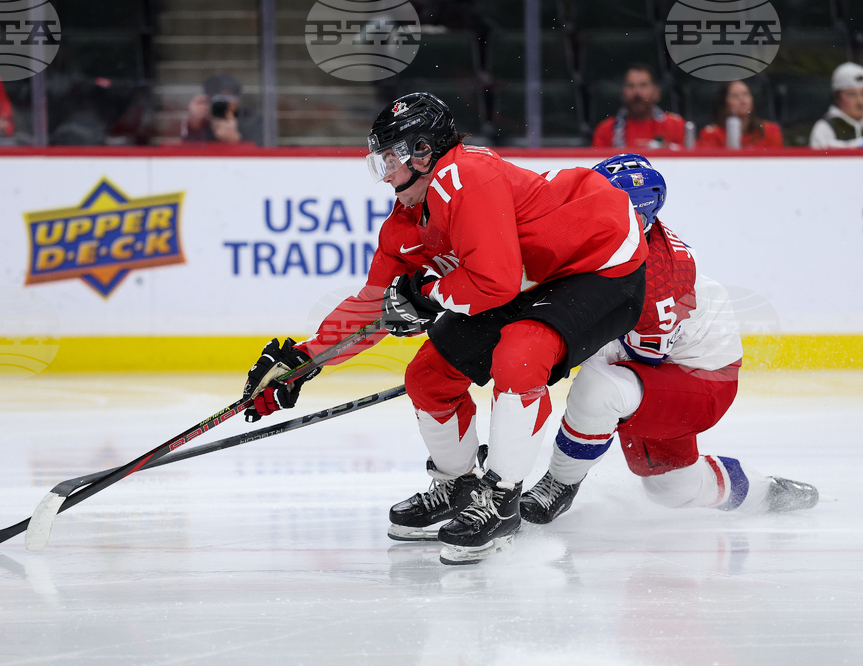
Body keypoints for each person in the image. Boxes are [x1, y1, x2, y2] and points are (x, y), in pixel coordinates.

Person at [242, 92, 648, 565]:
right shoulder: (407, 220)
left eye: (391, 158)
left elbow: (492, 284)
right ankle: (457, 487)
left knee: (520, 354)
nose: (387, 173)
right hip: (530, 276)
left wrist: (430, 293)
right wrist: (305, 360)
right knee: (428, 376)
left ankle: (501, 499)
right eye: (382, 161)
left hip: (602, 264)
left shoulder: (468, 177)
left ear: (423, 152)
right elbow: (375, 305)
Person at [519, 154, 819, 525]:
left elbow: (633, 360)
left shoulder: (660, 282)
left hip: (702, 378)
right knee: (673, 490)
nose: (587, 213)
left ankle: (558, 486)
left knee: (599, 387)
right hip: (660, 369)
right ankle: (766, 493)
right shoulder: (623, 238)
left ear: (636, 216)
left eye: (602, 205)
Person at [592, 64, 686, 150]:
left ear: (656, 93)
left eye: (643, 85)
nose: (637, 92)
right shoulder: (606, 129)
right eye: (631, 86)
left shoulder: (676, 126)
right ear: (623, 93)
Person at [697, 80, 783, 149]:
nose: (742, 100)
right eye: (735, 96)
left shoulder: (770, 131)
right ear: (724, 104)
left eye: (745, 94)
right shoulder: (711, 134)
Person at [182, 73, 262, 145]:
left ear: (238, 99)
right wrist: (194, 125)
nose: (222, 103)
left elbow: (261, 155)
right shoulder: (203, 122)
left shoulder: (251, 120)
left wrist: (235, 139)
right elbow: (187, 154)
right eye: (216, 98)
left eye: (228, 97)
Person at [810, 61, 863, 150]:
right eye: (851, 94)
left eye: (862, 93)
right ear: (837, 98)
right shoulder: (825, 128)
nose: (860, 101)